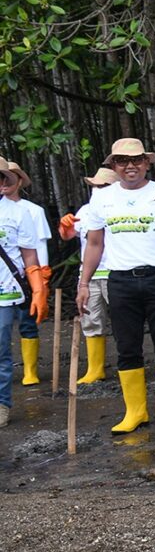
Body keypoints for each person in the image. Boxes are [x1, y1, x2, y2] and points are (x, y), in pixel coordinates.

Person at [76, 138, 155, 433]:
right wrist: (83, 282)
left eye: (136, 160)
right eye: (122, 161)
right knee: (127, 347)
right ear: (113, 165)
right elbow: (94, 243)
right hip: (120, 280)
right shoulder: (102, 198)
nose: (130, 166)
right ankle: (136, 411)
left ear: (147, 163)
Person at [58, 167, 118, 384]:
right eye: (94, 185)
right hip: (89, 275)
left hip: (116, 272)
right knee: (91, 320)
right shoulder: (85, 211)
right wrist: (64, 228)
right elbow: (68, 236)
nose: (97, 189)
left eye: (103, 185)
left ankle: (128, 365)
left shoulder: (120, 208)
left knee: (124, 321)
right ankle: (96, 369)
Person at [0, 158, 45, 427]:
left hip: (4, 291)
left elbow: (30, 256)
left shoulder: (19, 214)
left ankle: (1, 405)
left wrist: (38, 289)